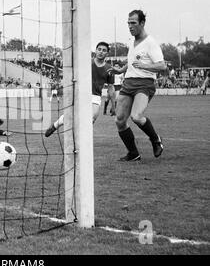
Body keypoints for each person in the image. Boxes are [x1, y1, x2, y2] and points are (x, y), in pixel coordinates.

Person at [110, 10, 166, 162]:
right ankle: (133, 153)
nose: (130, 26)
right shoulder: (132, 42)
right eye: (128, 23)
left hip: (144, 84)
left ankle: (156, 140)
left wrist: (144, 65)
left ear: (142, 23)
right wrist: (120, 70)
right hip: (128, 83)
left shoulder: (150, 43)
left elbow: (162, 66)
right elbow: (131, 63)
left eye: (133, 23)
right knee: (119, 120)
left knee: (136, 117)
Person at [45, 41, 113, 137]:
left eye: (104, 50)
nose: (101, 52)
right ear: (96, 51)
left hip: (96, 97)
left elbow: (110, 87)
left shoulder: (109, 68)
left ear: (107, 53)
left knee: (92, 118)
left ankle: (82, 140)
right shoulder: (87, 62)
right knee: (72, 117)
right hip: (82, 94)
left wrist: (113, 105)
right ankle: (56, 124)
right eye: (99, 49)